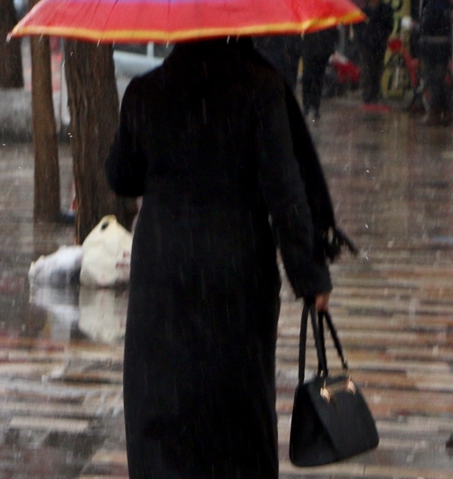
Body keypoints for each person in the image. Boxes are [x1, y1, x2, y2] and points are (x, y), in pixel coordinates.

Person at [106, 37, 333, 478]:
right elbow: (285, 192)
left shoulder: (146, 91)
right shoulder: (261, 88)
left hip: (163, 270)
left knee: (162, 406)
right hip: (237, 267)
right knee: (237, 408)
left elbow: (122, 176)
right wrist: (310, 277)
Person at [413, 0, 453, 125]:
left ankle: (434, 113)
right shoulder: (443, 3)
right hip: (443, 48)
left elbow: (426, 27)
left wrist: (415, 27)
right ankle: (446, 111)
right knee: (439, 79)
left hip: (432, 50)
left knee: (434, 80)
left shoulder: (431, 6)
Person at [355, 0, 394, 104]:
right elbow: (357, 27)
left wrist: (382, 35)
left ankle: (375, 93)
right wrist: (362, 38)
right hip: (366, 45)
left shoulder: (385, 10)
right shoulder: (363, 12)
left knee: (377, 69)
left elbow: (389, 25)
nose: (373, 2)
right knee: (367, 70)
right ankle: (368, 95)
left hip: (379, 44)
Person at [300, 27, 337, 120]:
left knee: (316, 78)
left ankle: (313, 106)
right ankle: (309, 106)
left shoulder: (326, 19)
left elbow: (334, 33)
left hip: (320, 50)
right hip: (313, 49)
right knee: (311, 78)